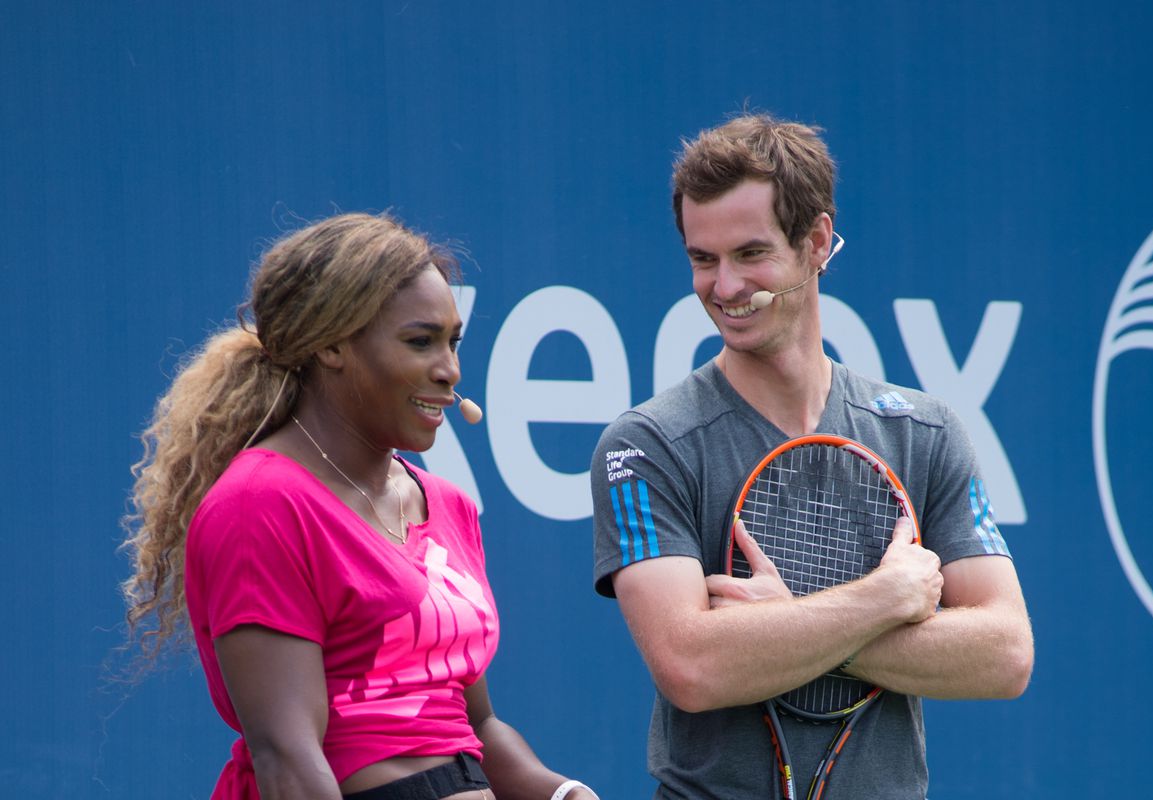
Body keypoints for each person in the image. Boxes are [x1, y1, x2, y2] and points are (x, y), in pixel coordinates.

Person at [590, 115, 1034, 798]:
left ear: (818, 242)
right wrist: (885, 599)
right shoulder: (645, 445)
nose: (725, 287)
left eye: (751, 254)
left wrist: (786, 621)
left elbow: (1005, 653)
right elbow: (691, 667)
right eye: (703, 259)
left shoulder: (927, 432)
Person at [123, 213, 598, 800]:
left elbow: (474, 725)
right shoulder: (261, 505)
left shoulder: (447, 504)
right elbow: (288, 760)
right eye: (420, 342)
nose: (449, 370)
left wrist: (564, 793)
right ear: (331, 345)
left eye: (453, 342)